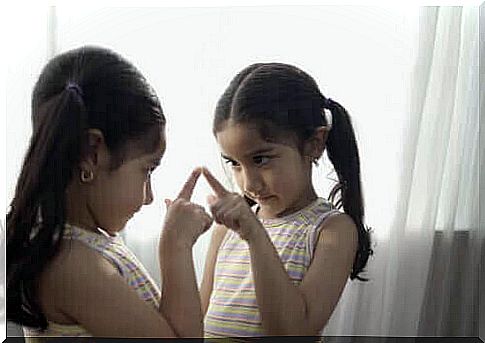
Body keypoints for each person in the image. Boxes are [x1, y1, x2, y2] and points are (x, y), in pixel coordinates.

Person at [6, 46, 213, 339]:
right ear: (91, 153)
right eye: (147, 170)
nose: (148, 197)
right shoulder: (72, 265)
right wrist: (176, 247)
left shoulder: (88, 244)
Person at [200, 63, 373, 338]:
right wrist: (178, 245)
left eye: (261, 159)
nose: (248, 183)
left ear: (314, 144)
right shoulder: (225, 230)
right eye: (233, 163)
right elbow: (196, 326)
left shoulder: (331, 230)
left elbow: (293, 333)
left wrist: (256, 236)